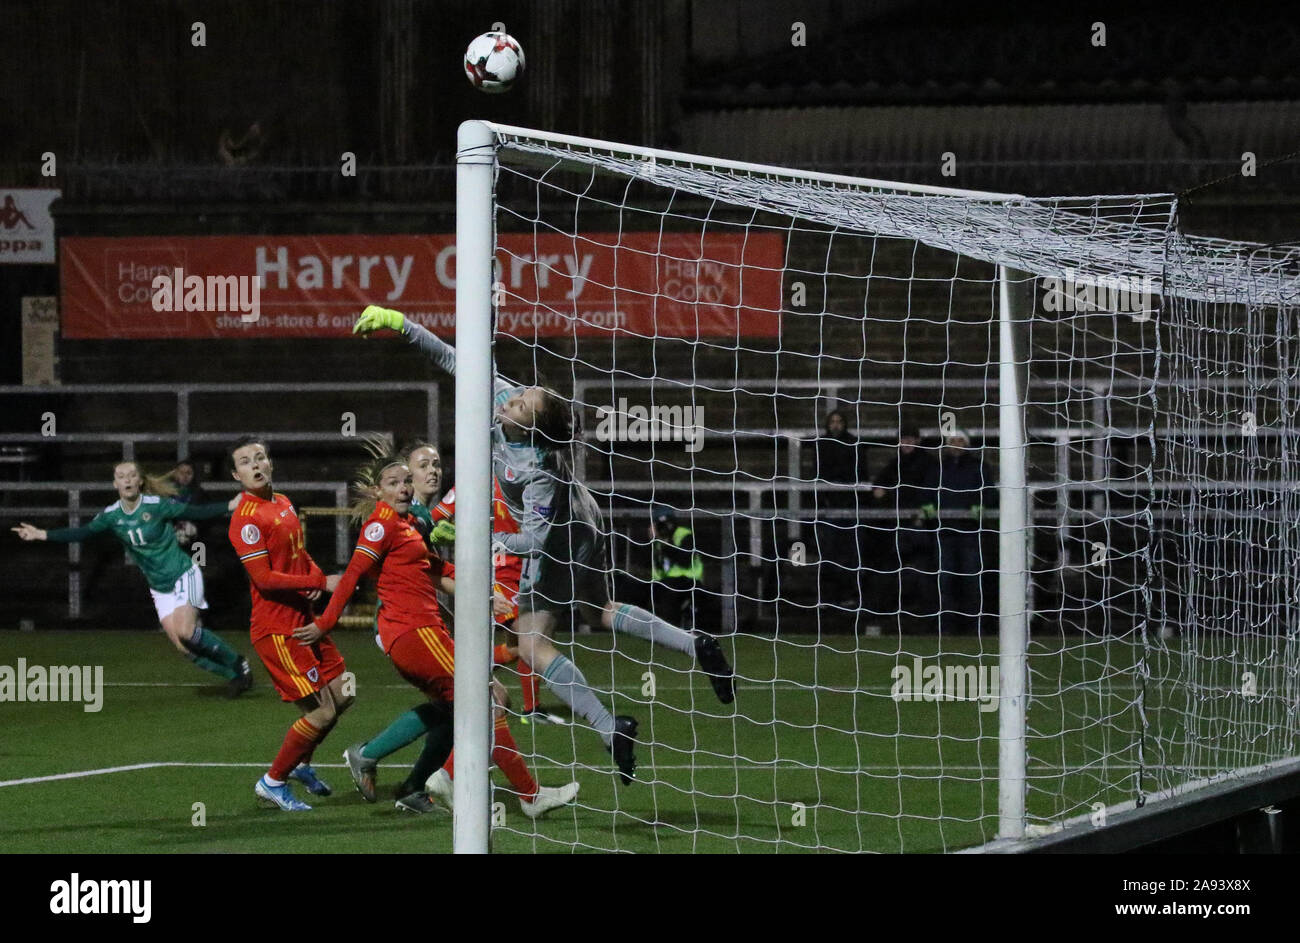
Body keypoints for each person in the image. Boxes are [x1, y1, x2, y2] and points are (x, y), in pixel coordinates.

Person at [352, 304, 736, 787]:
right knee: (599, 608)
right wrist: (400, 323)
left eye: (517, 405)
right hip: (584, 521)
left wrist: (481, 536)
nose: (507, 401)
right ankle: (695, 643)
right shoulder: (507, 403)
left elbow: (533, 539)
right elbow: (454, 359)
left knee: (532, 645)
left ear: (527, 427)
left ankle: (607, 726)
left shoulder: (536, 469)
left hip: (563, 534)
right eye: (515, 395)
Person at [306, 452, 577, 817]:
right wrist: (325, 623)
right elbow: (353, 574)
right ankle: (524, 794)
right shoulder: (382, 524)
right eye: (395, 482)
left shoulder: (407, 524)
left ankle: (403, 777)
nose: (404, 487)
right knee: (487, 699)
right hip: (413, 631)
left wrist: (485, 591)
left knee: (455, 709)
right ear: (376, 490)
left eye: (406, 481)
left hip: (420, 631)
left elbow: (437, 569)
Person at [12, 460, 253, 695]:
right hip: (160, 587)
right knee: (183, 647)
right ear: (115, 484)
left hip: (182, 574)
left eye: (131, 475)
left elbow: (196, 512)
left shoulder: (156, 505)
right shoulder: (111, 515)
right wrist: (41, 534)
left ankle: (238, 662)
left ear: (139, 481)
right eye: (121, 476)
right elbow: (82, 532)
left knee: (187, 632)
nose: (126, 480)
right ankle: (236, 677)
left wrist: (229, 505)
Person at [227, 437, 352, 811]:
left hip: (304, 620)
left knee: (344, 693)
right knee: (321, 711)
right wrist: (318, 582)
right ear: (237, 475)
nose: (256, 465)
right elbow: (264, 579)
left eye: (260, 457)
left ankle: (302, 764)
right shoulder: (246, 520)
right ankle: (273, 781)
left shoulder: (282, 502)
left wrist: (312, 574)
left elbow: (299, 552)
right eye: (246, 462)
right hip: (279, 630)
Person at [421, 459, 560, 725]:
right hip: (497, 573)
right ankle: (530, 709)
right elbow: (434, 517)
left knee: (519, 644)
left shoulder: (527, 480)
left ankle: (480, 677)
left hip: (526, 568)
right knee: (525, 639)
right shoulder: (473, 482)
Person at [923, 432, 996, 635]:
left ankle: (975, 628)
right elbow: (926, 491)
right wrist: (928, 507)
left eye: (960, 441)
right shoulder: (937, 467)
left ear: (967, 444)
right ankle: (945, 628)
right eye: (952, 441)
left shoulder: (978, 467)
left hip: (969, 531)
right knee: (944, 580)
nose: (956, 444)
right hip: (944, 531)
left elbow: (989, 493)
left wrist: (981, 506)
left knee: (972, 579)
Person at [869, 425, 936, 627]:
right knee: (892, 571)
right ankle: (889, 614)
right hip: (898, 526)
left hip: (920, 526)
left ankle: (926, 617)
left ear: (917, 441)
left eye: (910, 439)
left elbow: (930, 493)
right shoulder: (895, 464)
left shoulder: (928, 464)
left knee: (922, 570)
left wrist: (923, 515)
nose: (906, 443)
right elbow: (878, 487)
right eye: (903, 439)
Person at [810, 409, 867, 608]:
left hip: (850, 506)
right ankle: (827, 597)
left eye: (839, 421)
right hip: (829, 507)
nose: (835, 425)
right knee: (828, 553)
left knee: (851, 554)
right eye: (832, 421)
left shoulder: (854, 443)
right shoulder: (821, 444)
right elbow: (816, 473)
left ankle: (849, 595)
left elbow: (860, 473)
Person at [649, 505, 703, 631]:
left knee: (670, 596)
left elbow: (684, 561)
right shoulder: (656, 542)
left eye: (667, 523)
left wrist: (665, 542)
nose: (665, 527)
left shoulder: (684, 535)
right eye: (660, 524)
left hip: (688, 580)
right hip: (663, 583)